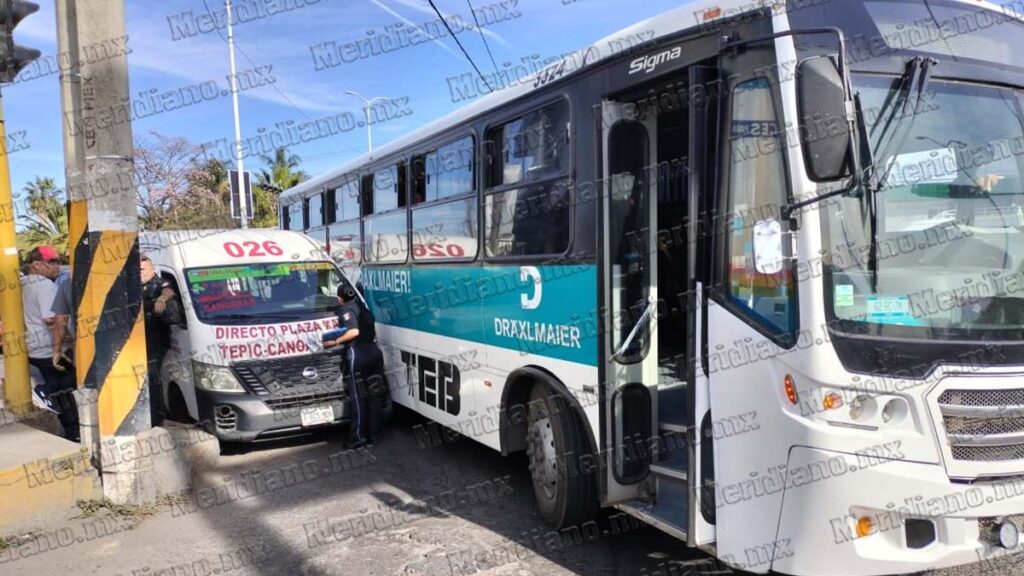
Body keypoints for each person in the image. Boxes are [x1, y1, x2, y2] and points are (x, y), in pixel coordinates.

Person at [22, 245, 78, 442]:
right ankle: (73, 432)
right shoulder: (45, 286)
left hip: (33, 349)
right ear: (37, 265)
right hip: (50, 349)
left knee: (59, 391)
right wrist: (65, 344)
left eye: (58, 261)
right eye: (52, 262)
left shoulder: (23, 283)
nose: (57, 266)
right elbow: (52, 320)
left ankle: (70, 431)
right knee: (70, 386)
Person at [323, 283, 384, 448]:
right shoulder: (365, 307)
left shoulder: (347, 309)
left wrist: (335, 341)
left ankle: (358, 437)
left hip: (358, 354)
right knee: (374, 397)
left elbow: (353, 331)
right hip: (374, 352)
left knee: (358, 398)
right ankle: (373, 436)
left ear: (339, 298)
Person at [141, 254, 183, 426]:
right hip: (138, 342)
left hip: (156, 340)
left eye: (143, 269)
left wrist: (162, 298)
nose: (140, 273)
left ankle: (156, 418)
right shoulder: (133, 287)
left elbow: (169, 291)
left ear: (152, 270)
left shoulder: (159, 284)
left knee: (153, 377)